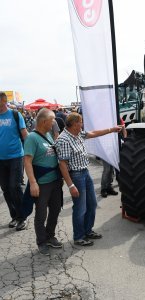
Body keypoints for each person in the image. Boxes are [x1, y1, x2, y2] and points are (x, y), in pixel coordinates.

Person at [55, 112, 122, 246]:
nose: (82, 124)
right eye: (80, 122)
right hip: (76, 176)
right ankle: (79, 237)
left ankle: (87, 230)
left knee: (91, 204)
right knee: (80, 207)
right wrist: (70, 186)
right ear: (74, 124)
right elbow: (62, 164)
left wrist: (111, 130)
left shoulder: (77, 133)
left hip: (85, 172)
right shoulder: (64, 139)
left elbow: (93, 133)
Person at [23, 108, 63, 255]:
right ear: (44, 121)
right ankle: (41, 241)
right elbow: (27, 161)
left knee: (56, 209)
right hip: (42, 183)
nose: (54, 122)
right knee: (41, 214)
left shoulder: (48, 135)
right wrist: (32, 182)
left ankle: (50, 236)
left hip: (55, 181)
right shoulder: (32, 138)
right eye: (52, 120)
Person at [0, 92, 28, 230]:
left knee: (14, 186)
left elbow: (25, 135)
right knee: (5, 188)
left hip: (16, 156)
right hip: (1, 159)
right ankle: (14, 216)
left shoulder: (15, 115)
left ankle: (22, 217)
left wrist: (31, 153)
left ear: (4, 101)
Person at [100, 119, 127, 198]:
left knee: (111, 169)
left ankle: (109, 187)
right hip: (106, 147)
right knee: (107, 169)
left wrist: (125, 139)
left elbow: (124, 130)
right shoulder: (105, 118)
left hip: (114, 147)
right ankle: (103, 188)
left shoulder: (118, 118)